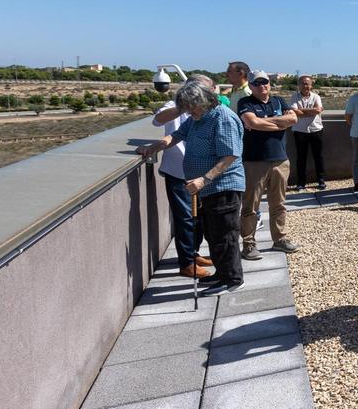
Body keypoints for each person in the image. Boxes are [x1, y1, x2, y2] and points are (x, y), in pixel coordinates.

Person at [138, 80, 246, 295]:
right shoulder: (198, 118)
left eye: (190, 108)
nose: (188, 112)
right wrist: (153, 148)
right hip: (207, 187)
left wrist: (204, 179)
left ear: (203, 101)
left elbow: (230, 155)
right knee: (212, 234)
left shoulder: (222, 118)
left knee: (225, 235)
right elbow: (174, 136)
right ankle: (221, 274)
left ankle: (232, 279)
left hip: (223, 185)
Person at [152, 78, 212, 279]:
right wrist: (183, 106)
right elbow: (158, 119)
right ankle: (186, 263)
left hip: (199, 171)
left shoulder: (208, 107)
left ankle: (193, 254)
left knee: (199, 217)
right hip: (177, 170)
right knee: (185, 217)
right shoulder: (174, 105)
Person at [237, 72, 300, 259]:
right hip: (255, 161)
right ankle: (248, 244)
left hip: (280, 160)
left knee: (278, 203)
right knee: (251, 205)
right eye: (257, 83)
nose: (262, 85)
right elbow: (252, 122)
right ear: (251, 86)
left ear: (269, 83)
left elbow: (293, 120)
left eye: (264, 82)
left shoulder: (279, 100)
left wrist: (262, 123)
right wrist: (279, 123)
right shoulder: (245, 103)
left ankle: (279, 239)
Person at [289, 75, 326, 191]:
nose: (306, 86)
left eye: (308, 84)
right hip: (300, 131)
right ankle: (301, 182)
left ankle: (321, 181)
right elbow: (295, 112)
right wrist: (311, 111)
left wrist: (302, 111)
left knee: (318, 157)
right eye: (303, 83)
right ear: (299, 85)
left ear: (311, 85)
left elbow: (318, 110)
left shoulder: (316, 97)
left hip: (316, 130)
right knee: (301, 157)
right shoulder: (294, 97)